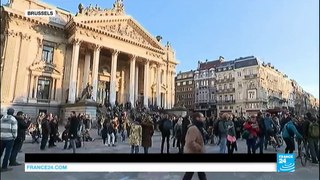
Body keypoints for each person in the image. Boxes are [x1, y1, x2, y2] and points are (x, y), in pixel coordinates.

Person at [183, 112, 207, 180]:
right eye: (202, 117)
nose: (203, 119)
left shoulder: (199, 127)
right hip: (193, 153)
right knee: (190, 173)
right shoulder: (193, 128)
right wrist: (199, 148)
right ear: (197, 118)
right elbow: (191, 142)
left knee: (200, 173)